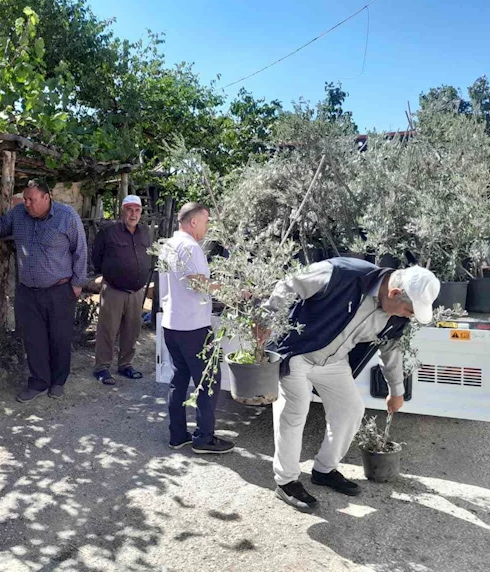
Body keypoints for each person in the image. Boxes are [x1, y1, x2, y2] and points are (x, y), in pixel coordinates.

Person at [264, 258, 440, 511]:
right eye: (408, 311)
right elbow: (290, 284)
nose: (407, 317)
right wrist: (266, 320)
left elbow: (391, 349)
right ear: (394, 293)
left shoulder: (397, 317)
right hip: (297, 353)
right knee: (295, 410)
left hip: (334, 361)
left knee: (350, 411)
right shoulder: (340, 274)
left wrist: (396, 390)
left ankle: (324, 470)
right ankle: (286, 481)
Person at [0, 179, 88, 402]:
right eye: (25, 199)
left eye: (32, 199)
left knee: (59, 337)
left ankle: (58, 381)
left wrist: (77, 284)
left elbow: (80, 250)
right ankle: (39, 381)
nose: (27, 203)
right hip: (28, 292)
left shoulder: (66, 217)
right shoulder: (19, 214)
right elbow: (1, 225)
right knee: (33, 339)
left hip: (59, 290)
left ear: (46, 198)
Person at [158, 203, 235, 454]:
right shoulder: (190, 246)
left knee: (179, 380)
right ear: (193, 222)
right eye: (206, 221)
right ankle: (204, 438)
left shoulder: (168, 246)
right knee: (208, 381)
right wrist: (231, 290)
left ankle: (178, 435)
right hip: (193, 327)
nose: (208, 226)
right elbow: (198, 283)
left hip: (172, 324)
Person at [91, 195, 152, 385]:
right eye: (129, 209)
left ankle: (125, 364)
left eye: (137, 210)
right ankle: (102, 368)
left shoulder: (145, 232)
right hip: (114, 290)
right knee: (108, 330)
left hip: (137, 291)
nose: (133, 214)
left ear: (141, 213)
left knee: (132, 330)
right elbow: (96, 257)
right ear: (122, 210)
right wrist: (109, 274)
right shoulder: (109, 232)